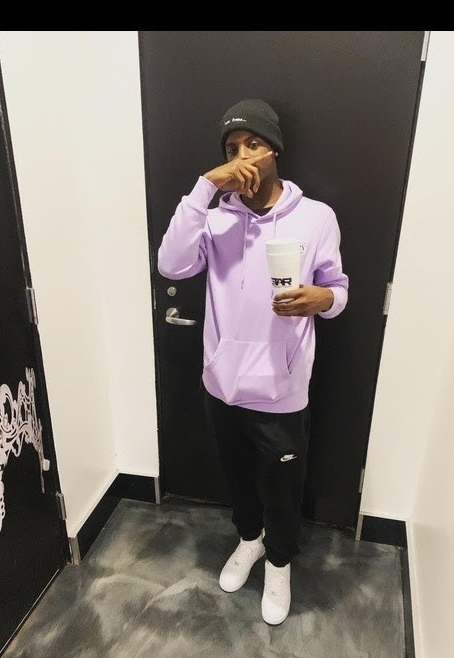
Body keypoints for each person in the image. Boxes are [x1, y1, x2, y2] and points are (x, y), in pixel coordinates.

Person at [157, 98, 349, 625]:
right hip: (222, 385)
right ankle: (249, 540)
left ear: (274, 151)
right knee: (237, 479)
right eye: (231, 149)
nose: (242, 156)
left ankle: (280, 563)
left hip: (281, 389)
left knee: (283, 490)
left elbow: (338, 289)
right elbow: (170, 264)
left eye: (253, 144)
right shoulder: (215, 219)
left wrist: (323, 299)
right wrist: (204, 188)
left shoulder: (316, 218)